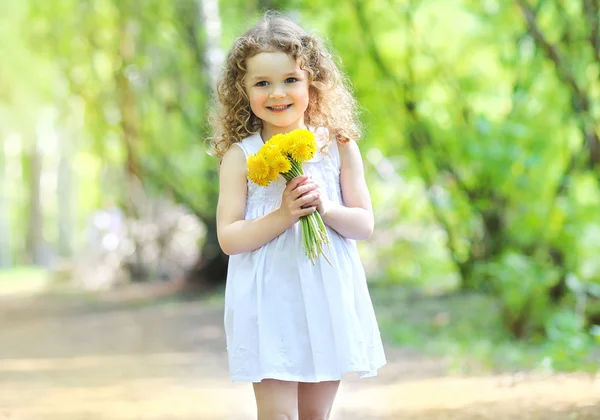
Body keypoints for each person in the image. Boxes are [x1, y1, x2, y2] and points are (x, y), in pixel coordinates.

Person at [211, 11, 386, 420]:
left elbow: (364, 224)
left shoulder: (338, 146)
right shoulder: (241, 156)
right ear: (244, 91)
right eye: (262, 83)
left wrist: (324, 207)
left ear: (313, 82)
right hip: (267, 297)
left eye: (291, 79)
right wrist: (284, 214)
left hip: (324, 291)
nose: (278, 93)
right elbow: (229, 237)